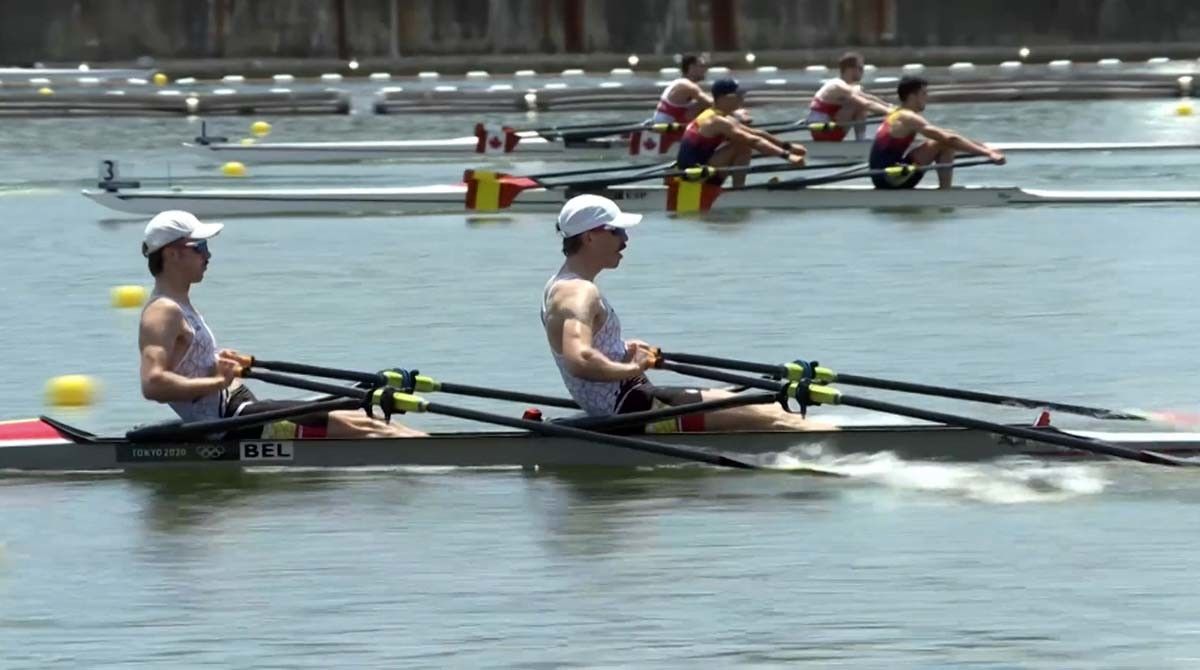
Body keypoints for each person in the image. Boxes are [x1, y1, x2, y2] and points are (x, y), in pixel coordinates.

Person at [540, 195, 835, 433]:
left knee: (767, 410)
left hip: (635, 400)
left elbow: (588, 351)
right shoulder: (579, 292)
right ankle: (860, 457)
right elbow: (580, 360)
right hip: (636, 407)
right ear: (589, 237)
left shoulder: (560, 285)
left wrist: (622, 351)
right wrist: (632, 368)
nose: (625, 239)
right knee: (777, 416)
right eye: (617, 231)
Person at [136, 210, 424, 439]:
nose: (208, 255)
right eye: (199, 247)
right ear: (172, 254)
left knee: (365, 415)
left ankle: (439, 449)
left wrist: (221, 362)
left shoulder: (180, 303)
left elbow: (187, 364)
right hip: (229, 424)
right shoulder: (162, 311)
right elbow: (153, 384)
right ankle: (450, 457)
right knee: (370, 428)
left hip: (239, 405)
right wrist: (218, 380)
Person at [869, 76, 1006, 189]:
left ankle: (945, 190)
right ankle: (945, 193)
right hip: (888, 178)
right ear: (912, 96)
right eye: (924, 93)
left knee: (945, 137)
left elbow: (949, 134)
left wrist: (985, 147)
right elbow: (948, 139)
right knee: (944, 142)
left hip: (886, 173)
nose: (927, 97)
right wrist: (988, 153)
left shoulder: (898, 113)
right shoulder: (908, 117)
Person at [675, 78, 807, 188]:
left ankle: (739, 189)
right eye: (738, 95)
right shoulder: (716, 120)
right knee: (742, 144)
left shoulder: (722, 117)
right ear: (723, 98)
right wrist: (788, 156)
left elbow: (756, 133)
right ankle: (739, 191)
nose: (742, 98)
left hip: (702, 170)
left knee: (742, 144)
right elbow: (753, 141)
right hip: (693, 178)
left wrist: (788, 146)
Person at [806, 51, 894, 141]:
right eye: (860, 68)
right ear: (850, 69)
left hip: (830, 128)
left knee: (859, 98)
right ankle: (861, 141)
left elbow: (869, 98)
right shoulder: (837, 85)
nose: (862, 72)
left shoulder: (848, 87)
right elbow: (867, 104)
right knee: (858, 104)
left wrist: (891, 107)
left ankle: (861, 140)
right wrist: (892, 113)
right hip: (821, 130)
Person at [649, 54, 711, 125]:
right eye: (702, 66)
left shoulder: (680, 82)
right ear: (692, 68)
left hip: (669, 124)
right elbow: (711, 103)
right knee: (703, 105)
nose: (705, 70)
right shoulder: (687, 86)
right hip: (669, 129)